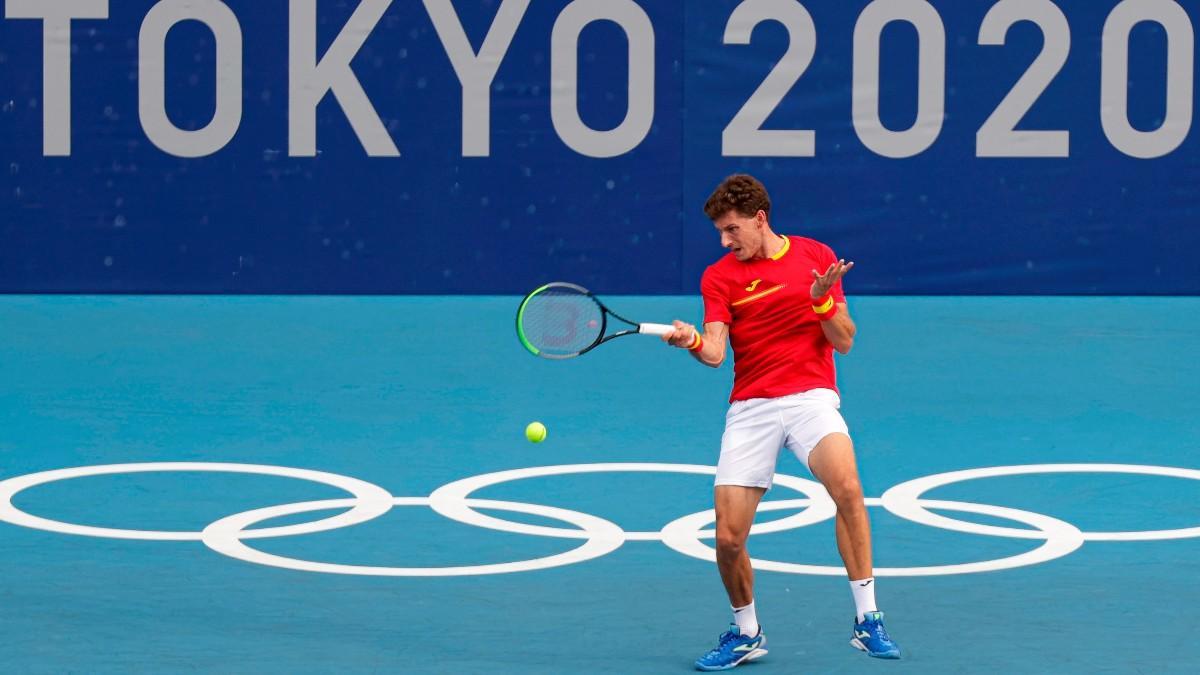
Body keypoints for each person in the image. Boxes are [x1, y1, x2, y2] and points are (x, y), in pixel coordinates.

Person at [663, 174, 900, 671]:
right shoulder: (719, 277)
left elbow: (845, 340)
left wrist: (820, 300)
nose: (726, 242)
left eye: (731, 230)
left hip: (811, 397)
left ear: (760, 219)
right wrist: (688, 342)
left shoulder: (816, 256)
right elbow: (713, 352)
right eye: (720, 234)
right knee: (728, 538)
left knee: (849, 490)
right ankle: (746, 631)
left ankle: (867, 619)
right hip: (752, 406)